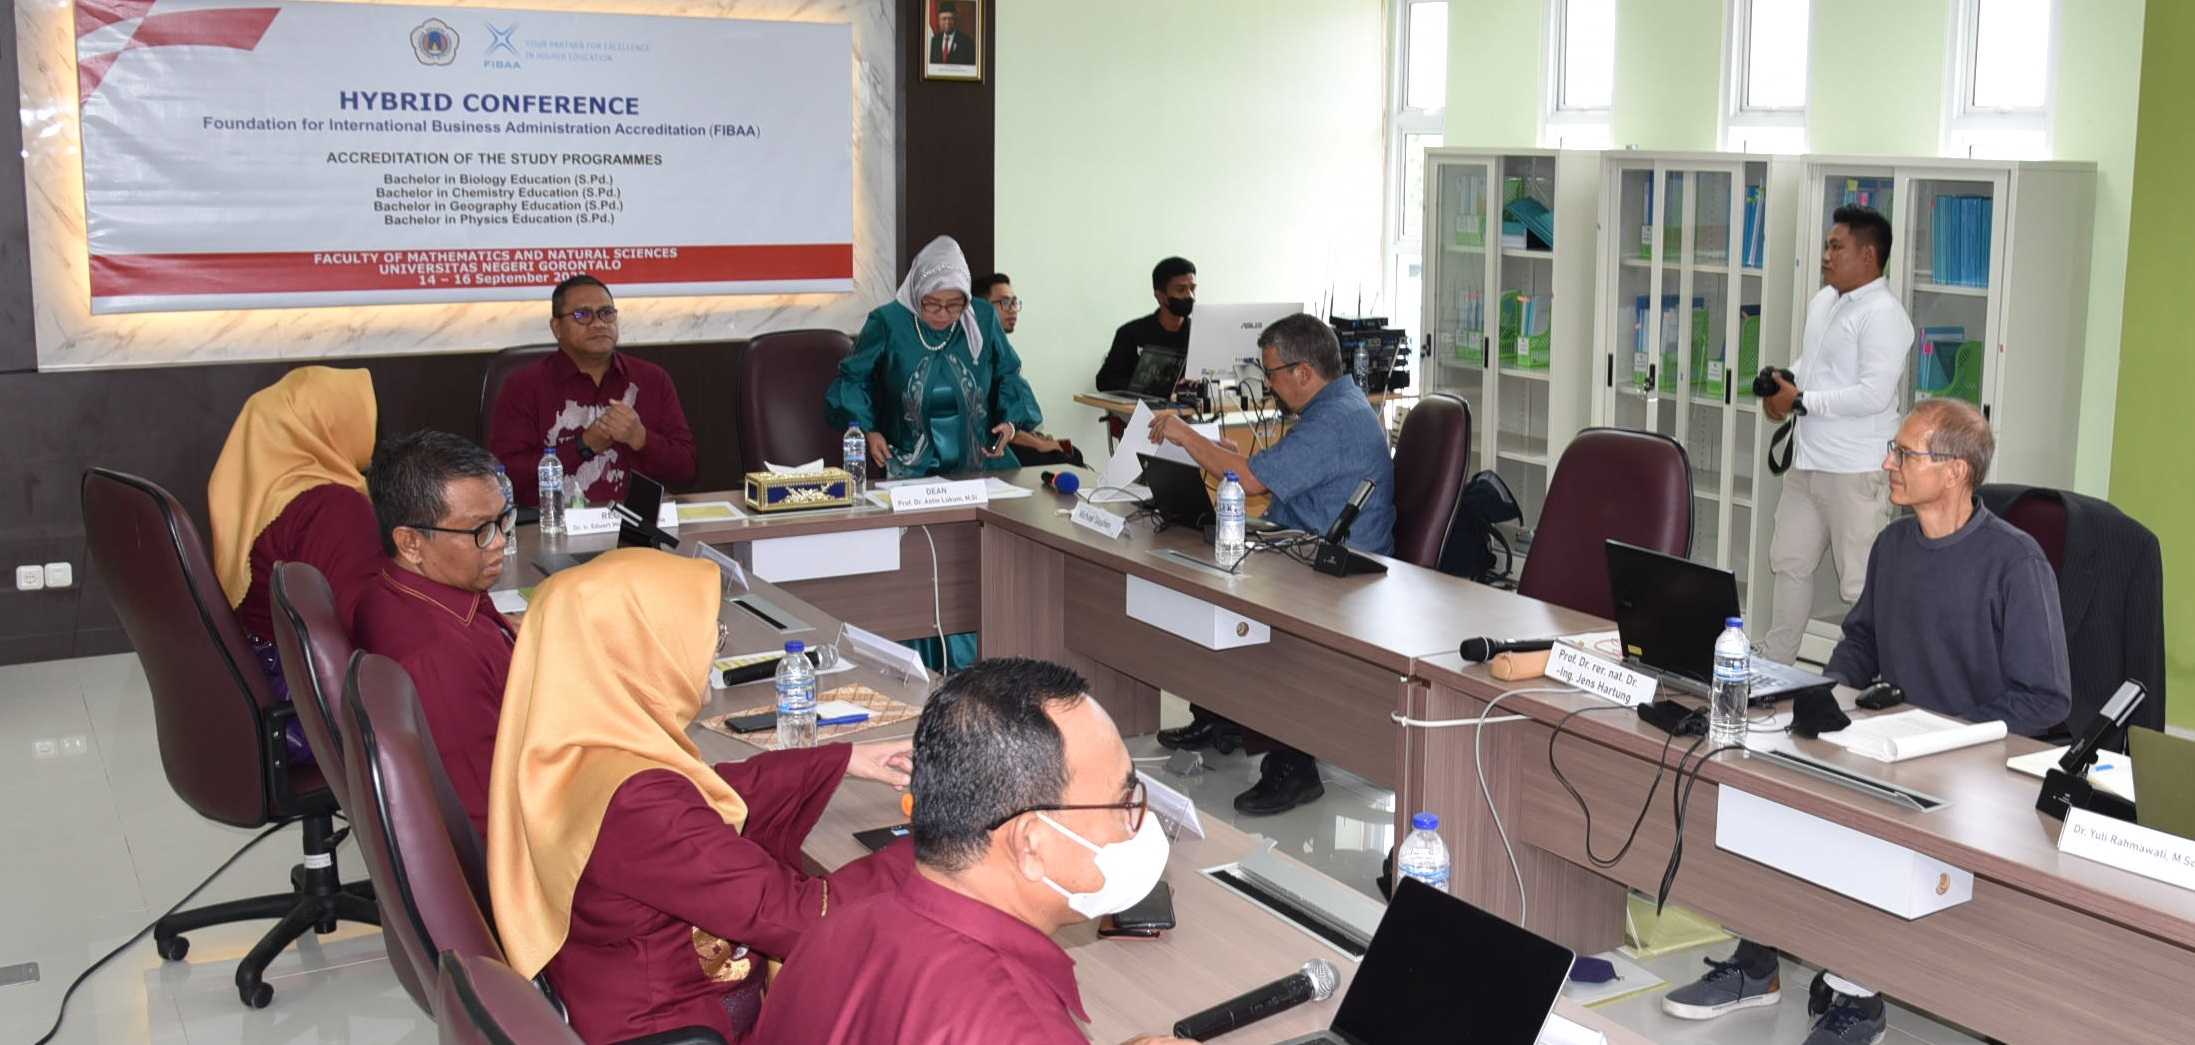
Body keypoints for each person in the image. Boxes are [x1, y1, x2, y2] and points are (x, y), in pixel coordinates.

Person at [1661, 399, 2070, 1045]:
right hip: (1889, 741)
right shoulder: (1893, 543)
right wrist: (1828, 697)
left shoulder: (2013, 562)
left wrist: (1943, 733)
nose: (1887, 463)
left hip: (1971, 766)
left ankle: (1859, 996)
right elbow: (1859, 641)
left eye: (1903, 453)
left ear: (1955, 470)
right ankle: (1757, 957)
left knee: (1857, 833)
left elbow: (2045, 698)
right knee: (1769, 789)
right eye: (1893, 449)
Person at [488, 548, 917, 1043]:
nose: (712, 647)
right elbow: (796, 916)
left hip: (601, 989)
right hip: (672, 1019)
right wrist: (936, 847)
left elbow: (705, 795)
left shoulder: (570, 744)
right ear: (642, 650)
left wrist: (844, 761)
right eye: (705, 632)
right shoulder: (641, 802)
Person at [755, 658, 1192, 1045]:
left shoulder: (838, 929)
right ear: (1030, 844)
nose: (1138, 820)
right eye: (1124, 802)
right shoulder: (1018, 1026)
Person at [1146, 313, 1396, 816]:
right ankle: (1223, 714)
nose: (1270, 385)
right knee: (1208, 576)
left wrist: (1184, 435)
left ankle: (1293, 765)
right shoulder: (1333, 407)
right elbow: (1268, 472)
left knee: (1237, 592)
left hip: (1336, 565)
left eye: (1273, 373)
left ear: (1304, 372)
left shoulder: (1336, 419)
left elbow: (1254, 483)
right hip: (1304, 545)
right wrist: (1211, 449)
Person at [1760, 205, 1913, 665]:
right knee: (1788, 564)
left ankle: (1867, 676)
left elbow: (1873, 393)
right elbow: (1814, 366)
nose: (1826, 255)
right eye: (1827, 245)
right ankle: (1773, 666)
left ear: (1868, 256)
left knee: (1859, 584)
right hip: (1808, 462)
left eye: (1836, 246)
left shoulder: (1885, 315)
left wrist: (1802, 400)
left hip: (1856, 470)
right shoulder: (1824, 301)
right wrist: (1783, 384)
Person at [207, 365, 383, 761]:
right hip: (313, 707)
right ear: (330, 424)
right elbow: (366, 620)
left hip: (260, 687)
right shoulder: (332, 508)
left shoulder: (262, 493)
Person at [354, 431, 515, 838]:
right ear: (410, 542)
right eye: (480, 530)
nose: (500, 543)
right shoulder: (438, 659)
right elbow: (488, 822)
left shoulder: (406, 589)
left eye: (504, 520)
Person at [488, 274, 697, 508]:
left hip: (636, 530)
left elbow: (686, 472)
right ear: (556, 327)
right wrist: (583, 446)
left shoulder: (651, 380)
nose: (598, 323)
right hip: (552, 530)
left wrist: (641, 438)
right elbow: (505, 478)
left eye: (606, 313)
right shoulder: (523, 386)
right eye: (583, 315)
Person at [1095, 256, 1195, 392]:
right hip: (1139, 411)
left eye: (1192, 288)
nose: (1190, 296)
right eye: (1181, 290)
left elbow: (1214, 376)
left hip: (1186, 411)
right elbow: (1105, 381)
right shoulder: (1131, 333)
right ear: (1160, 296)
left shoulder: (1200, 333)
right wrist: (1153, 387)